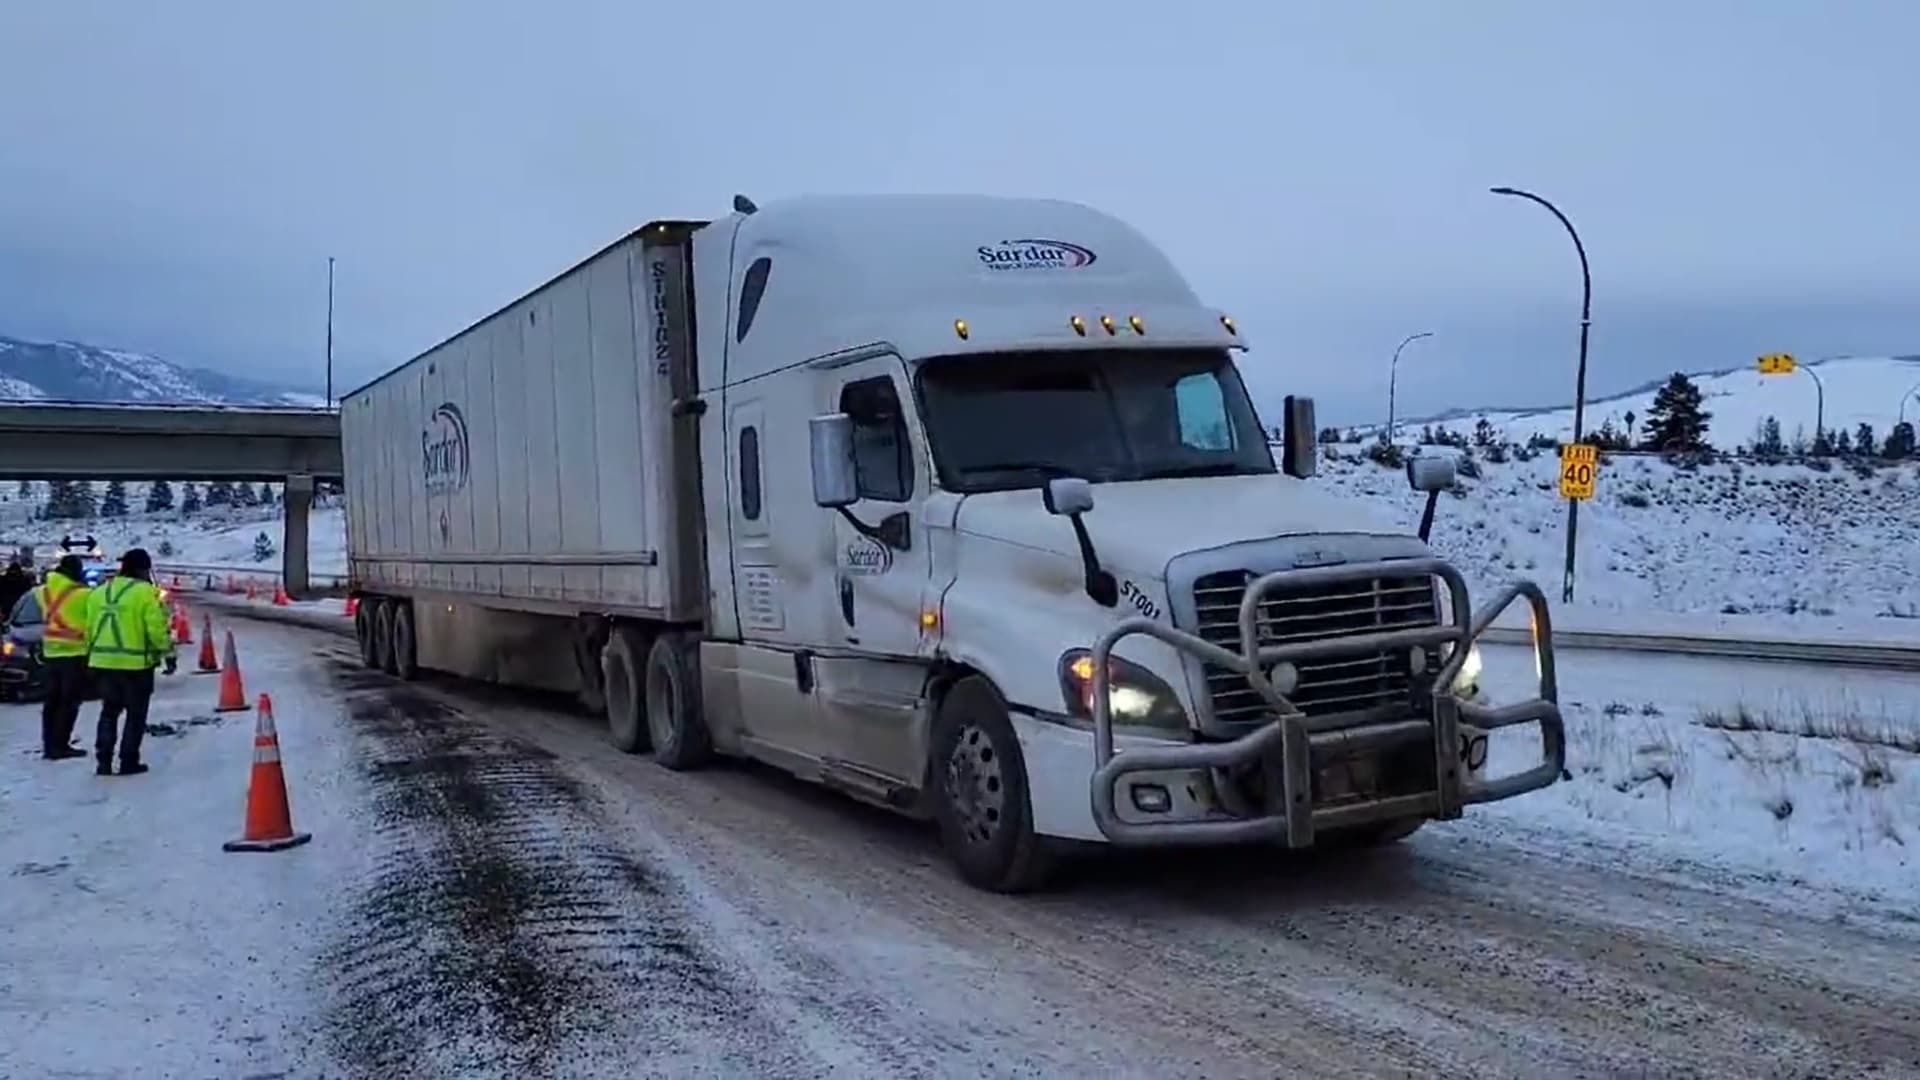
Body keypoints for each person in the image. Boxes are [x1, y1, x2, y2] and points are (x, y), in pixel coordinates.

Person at [85, 547, 176, 776]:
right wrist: (168, 654)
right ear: (143, 569)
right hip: (136, 666)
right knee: (135, 716)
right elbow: (156, 630)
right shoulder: (146, 593)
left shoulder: (99, 593)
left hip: (102, 663)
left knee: (109, 712)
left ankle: (103, 761)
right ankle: (129, 761)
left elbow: (88, 629)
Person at [34, 555, 93, 760]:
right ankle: (61, 745)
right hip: (74, 653)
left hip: (51, 653)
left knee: (51, 702)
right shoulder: (83, 594)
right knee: (68, 703)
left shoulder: (43, 591)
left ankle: (49, 745)